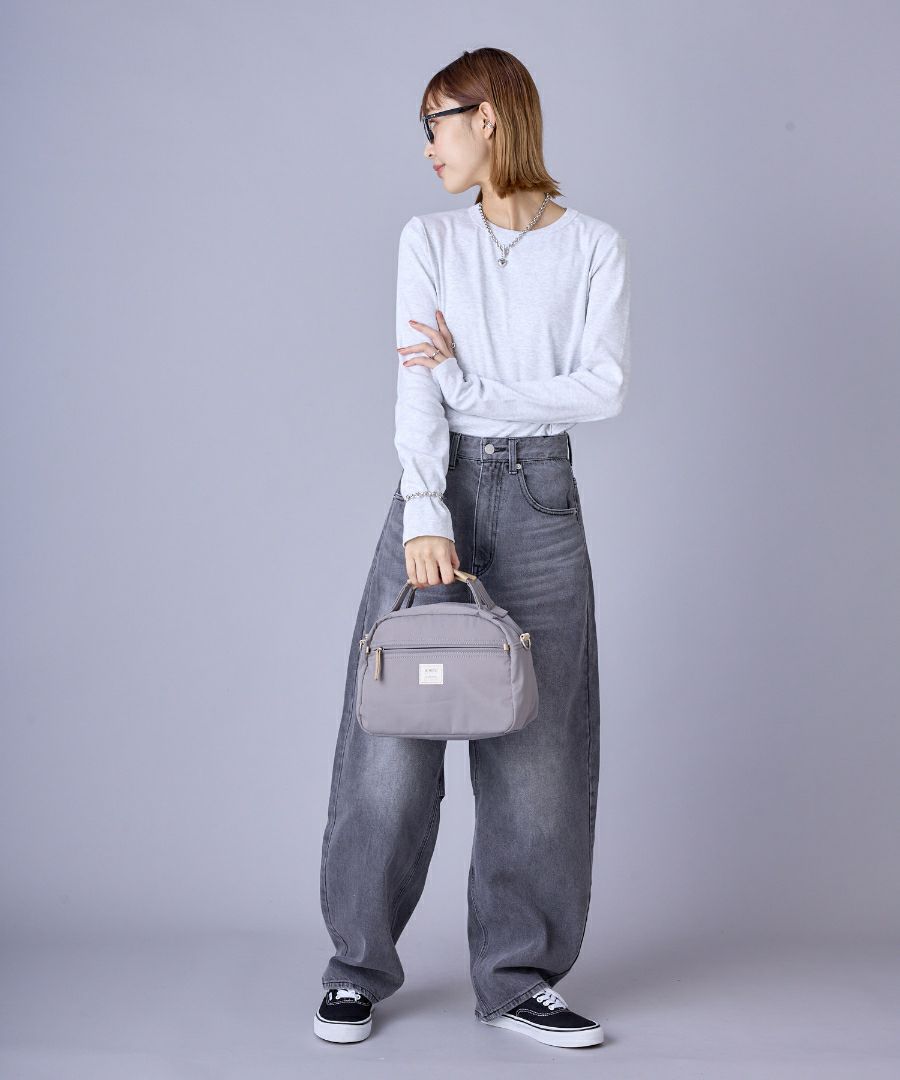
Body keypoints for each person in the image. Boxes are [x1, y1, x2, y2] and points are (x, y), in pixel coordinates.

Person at [314, 47, 630, 1049]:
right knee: (391, 742)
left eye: (436, 122)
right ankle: (356, 967)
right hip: (439, 491)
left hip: (541, 498)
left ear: (488, 116)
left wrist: (475, 386)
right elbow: (419, 383)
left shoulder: (594, 247)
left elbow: (603, 388)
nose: (427, 146)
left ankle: (518, 978)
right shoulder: (430, 240)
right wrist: (425, 510)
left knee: (540, 752)